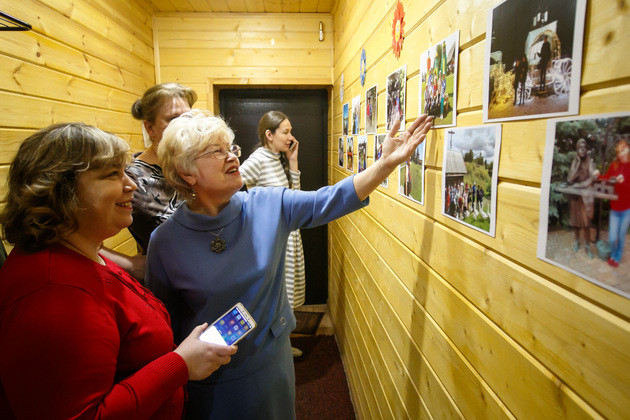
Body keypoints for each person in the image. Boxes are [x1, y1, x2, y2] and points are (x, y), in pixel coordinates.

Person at [145, 109, 433, 419]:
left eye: (230, 148)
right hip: (210, 378)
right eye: (216, 151)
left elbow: (330, 199)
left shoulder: (267, 204)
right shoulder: (165, 241)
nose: (232, 157)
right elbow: (163, 323)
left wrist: (385, 164)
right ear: (187, 172)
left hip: (270, 364)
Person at [0, 123, 237, 419]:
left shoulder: (83, 252)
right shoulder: (51, 295)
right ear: (60, 191)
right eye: (112, 174)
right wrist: (180, 365)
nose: (131, 185)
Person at [99, 83, 196, 280]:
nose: (184, 126)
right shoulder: (131, 178)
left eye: (188, 118)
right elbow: (72, 232)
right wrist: (130, 264)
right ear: (150, 128)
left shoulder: (196, 165)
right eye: (173, 119)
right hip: (168, 286)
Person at [239, 111, 305, 358]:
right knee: (275, 295)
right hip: (272, 240)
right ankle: (271, 352)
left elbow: (294, 199)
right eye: (285, 132)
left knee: (285, 295)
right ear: (269, 134)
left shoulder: (277, 158)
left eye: (290, 131)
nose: (291, 137)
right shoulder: (258, 159)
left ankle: (281, 347)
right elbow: (233, 187)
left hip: (288, 236)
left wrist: (293, 162)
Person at [597, 137, 630, 267]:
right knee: (612, 238)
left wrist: (624, 182)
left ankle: (616, 257)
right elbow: (606, 178)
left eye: (623, 150)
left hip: (627, 209)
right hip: (615, 209)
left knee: (621, 236)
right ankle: (613, 254)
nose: (621, 153)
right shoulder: (614, 165)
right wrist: (597, 176)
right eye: (619, 151)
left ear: (628, 149)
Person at [567, 138, 598, 258]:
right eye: (580, 147)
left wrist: (581, 185)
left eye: (584, 147)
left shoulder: (590, 161)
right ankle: (577, 241)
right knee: (576, 222)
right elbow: (570, 178)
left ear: (586, 149)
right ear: (577, 149)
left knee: (586, 223)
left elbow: (592, 177)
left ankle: (587, 246)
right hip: (575, 196)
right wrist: (578, 163)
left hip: (585, 197)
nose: (582, 149)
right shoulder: (575, 161)